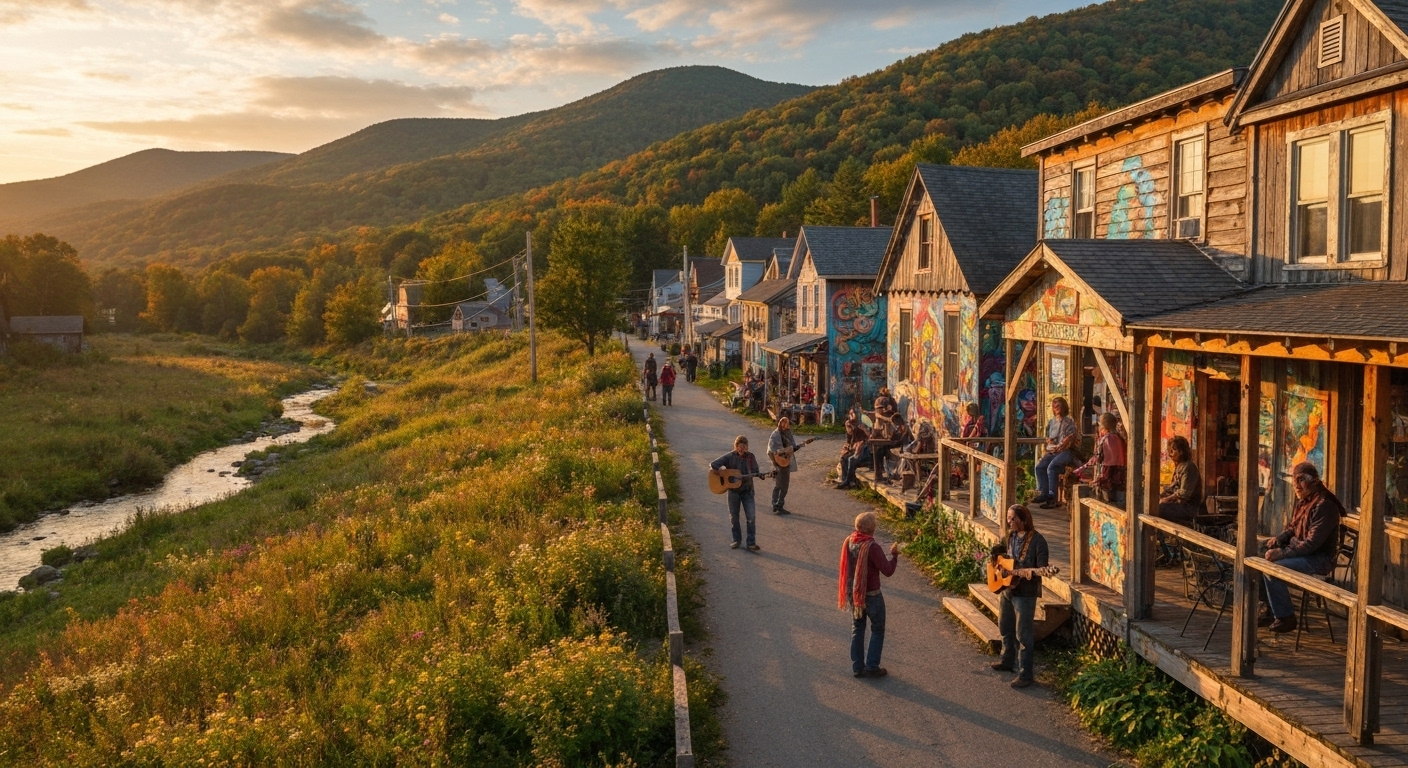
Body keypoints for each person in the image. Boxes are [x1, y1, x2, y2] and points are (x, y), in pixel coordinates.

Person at [1259, 462, 1345, 633]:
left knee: (1273, 570)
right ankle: (1269, 608)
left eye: (1301, 480)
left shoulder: (1325, 505)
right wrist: (1279, 539)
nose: (1296, 485)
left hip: (1319, 559)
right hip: (1301, 552)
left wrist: (1282, 553)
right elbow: (1293, 527)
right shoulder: (1305, 500)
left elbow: (1311, 545)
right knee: (1259, 555)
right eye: (1294, 480)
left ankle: (1286, 617)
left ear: (1314, 481)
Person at [992, 504, 1049, 688]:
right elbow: (1004, 559)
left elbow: (1042, 568)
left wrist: (1032, 572)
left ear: (1024, 520)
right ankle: (1007, 660)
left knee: (1023, 634)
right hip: (1008, 588)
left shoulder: (1038, 541)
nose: (1009, 522)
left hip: (1025, 593)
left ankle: (1025, 674)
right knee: (1005, 626)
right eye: (1008, 518)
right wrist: (996, 561)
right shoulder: (1011, 536)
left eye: (1013, 519)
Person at [838, 511, 899, 679]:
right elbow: (887, 570)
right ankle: (872, 666)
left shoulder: (850, 541)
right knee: (877, 629)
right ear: (872, 529)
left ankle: (858, 667)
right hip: (872, 595)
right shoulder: (872, 547)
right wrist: (894, 555)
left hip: (855, 594)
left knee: (858, 627)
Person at [710, 436, 768, 551]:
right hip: (733, 492)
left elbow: (755, 471)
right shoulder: (729, 456)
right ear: (735, 447)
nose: (742, 449)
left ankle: (751, 543)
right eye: (739, 447)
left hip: (747, 491)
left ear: (747, 447)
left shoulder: (750, 457)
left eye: (744, 447)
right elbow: (714, 464)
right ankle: (736, 540)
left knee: (751, 517)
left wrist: (760, 475)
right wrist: (721, 474)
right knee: (734, 517)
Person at [1030, 397, 1077, 509]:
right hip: (1053, 450)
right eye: (1054, 406)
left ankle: (1052, 497)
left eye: (1058, 406)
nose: (1056, 408)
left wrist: (1062, 444)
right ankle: (1043, 492)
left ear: (1063, 407)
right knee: (1040, 466)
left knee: (1052, 467)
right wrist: (1049, 441)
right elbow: (1049, 437)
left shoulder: (1069, 422)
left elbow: (1071, 438)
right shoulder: (1051, 422)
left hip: (1066, 451)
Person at [1074, 412, 1127, 504]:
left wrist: (1082, 469)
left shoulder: (1106, 439)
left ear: (1103, 427)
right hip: (1120, 475)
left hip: (1108, 474)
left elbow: (1100, 459)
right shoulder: (1119, 437)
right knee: (1119, 502)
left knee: (1107, 503)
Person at [1156, 435, 1202, 524]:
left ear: (1181, 452)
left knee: (1159, 509)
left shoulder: (1188, 467)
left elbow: (1184, 493)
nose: (1170, 454)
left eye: (1173, 451)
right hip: (1178, 504)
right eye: (1170, 451)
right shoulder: (1179, 467)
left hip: (1188, 507)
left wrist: (1166, 499)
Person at [768, 416, 799, 515]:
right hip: (777, 462)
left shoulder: (788, 433)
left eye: (787, 423)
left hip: (786, 462)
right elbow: (771, 450)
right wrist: (781, 453)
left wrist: (794, 448)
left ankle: (780, 504)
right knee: (778, 484)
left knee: (785, 485)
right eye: (783, 423)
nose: (785, 425)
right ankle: (774, 504)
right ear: (780, 423)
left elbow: (793, 446)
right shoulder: (775, 435)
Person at [836, 416, 871, 489]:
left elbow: (868, 439)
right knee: (843, 458)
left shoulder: (862, 426)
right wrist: (846, 449)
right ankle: (845, 480)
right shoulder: (852, 430)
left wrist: (864, 429)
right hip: (857, 451)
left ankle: (848, 481)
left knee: (851, 459)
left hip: (866, 451)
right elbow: (849, 443)